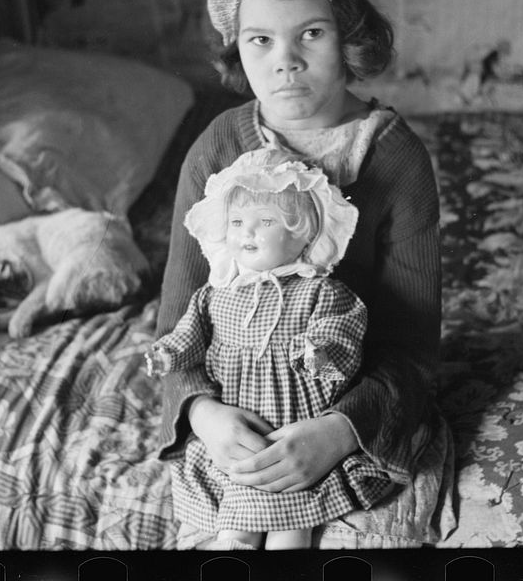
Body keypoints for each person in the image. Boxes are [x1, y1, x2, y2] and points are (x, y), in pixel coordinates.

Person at [155, 0, 443, 548]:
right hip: (236, 411)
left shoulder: (397, 159)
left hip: (338, 406)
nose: (285, 60)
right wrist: (203, 414)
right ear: (239, 51)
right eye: (261, 40)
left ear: (348, 37)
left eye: (311, 33)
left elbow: (413, 343)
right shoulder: (217, 148)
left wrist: (341, 429)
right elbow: (178, 321)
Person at [148, 148, 388, 550]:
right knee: (235, 528)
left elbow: (341, 337)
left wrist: (318, 352)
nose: (246, 233)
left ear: (304, 232)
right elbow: (189, 336)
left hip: (295, 437)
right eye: (238, 222)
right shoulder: (216, 294)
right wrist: (168, 354)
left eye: (265, 222)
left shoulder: (321, 291)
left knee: (291, 529)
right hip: (238, 433)